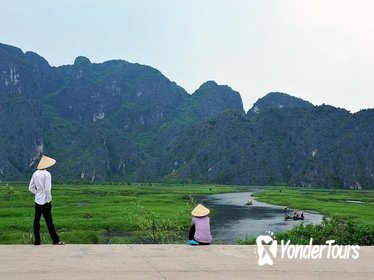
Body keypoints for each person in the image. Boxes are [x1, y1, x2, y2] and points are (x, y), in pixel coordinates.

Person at [28, 155, 64, 245]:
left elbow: (30, 188)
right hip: (45, 201)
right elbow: (47, 189)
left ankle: (37, 241)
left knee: (36, 221)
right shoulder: (47, 174)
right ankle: (55, 240)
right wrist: (48, 199)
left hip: (37, 200)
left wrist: (37, 193)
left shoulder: (35, 173)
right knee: (49, 221)